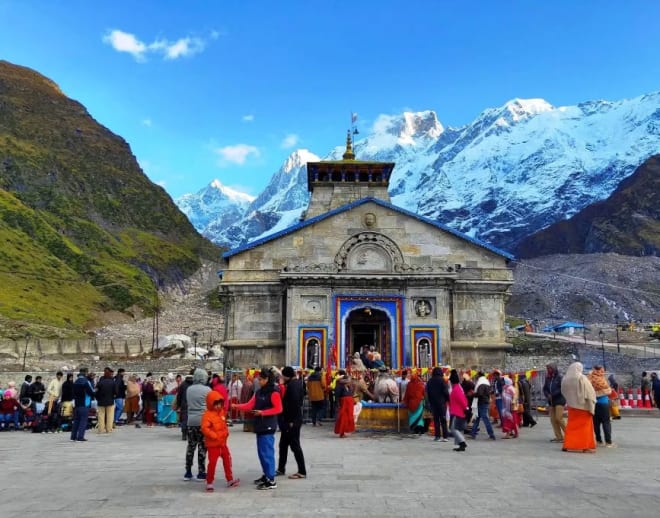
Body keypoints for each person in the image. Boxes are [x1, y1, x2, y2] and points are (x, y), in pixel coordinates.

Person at [232, 367, 283, 490]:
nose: (259, 382)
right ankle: (266, 474)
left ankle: (271, 479)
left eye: (260, 379)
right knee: (261, 453)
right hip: (260, 425)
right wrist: (236, 406)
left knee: (267, 453)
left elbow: (278, 409)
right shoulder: (260, 392)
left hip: (268, 425)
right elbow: (250, 405)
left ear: (267, 379)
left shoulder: (274, 392)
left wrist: (263, 413)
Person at [201, 390, 239, 492]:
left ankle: (230, 479)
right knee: (212, 463)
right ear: (210, 403)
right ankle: (209, 482)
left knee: (227, 460)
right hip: (213, 444)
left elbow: (223, 425)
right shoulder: (207, 415)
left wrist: (226, 433)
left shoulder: (221, 412)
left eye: (219, 404)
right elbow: (204, 428)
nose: (218, 406)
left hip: (222, 443)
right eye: (215, 404)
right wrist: (214, 435)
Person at [277, 366, 307, 480]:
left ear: (287, 376)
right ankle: (281, 468)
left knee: (295, 445)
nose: (282, 377)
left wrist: (290, 421)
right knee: (283, 445)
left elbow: (294, 404)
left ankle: (302, 471)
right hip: (291, 420)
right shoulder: (296, 383)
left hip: (292, 421)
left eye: (283, 375)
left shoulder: (292, 386)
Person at [561, 362, 597, 453]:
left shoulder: (565, 379)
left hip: (572, 406)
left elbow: (563, 391)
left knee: (571, 426)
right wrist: (591, 405)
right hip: (583, 407)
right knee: (585, 427)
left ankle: (567, 445)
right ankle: (585, 447)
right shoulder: (581, 378)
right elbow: (590, 393)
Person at [184, 368, 212, 481]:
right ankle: (201, 472)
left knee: (191, 446)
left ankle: (188, 471)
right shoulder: (208, 390)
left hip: (191, 420)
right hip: (203, 421)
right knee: (202, 447)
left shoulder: (189, 389)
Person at [588, 365, 615, 447]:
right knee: (606, 422)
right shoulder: (600, 379)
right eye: (602, 370)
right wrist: (609, 390)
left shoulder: (589, 378)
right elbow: (608, 390)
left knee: (596, 423)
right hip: (603, 402)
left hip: (594, 403)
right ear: (598, 370)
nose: (603, 371)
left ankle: (598, 440)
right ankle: (608, 442)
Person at [543, 363, 566, 443]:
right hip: (551, 401)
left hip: (559, 400)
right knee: (553, 419)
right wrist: (547, 395)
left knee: (559, 418)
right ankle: (559, 436)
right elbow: (545, 388)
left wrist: (553, 394)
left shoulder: (559, 377)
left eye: (550, 369)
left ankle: (569, 434)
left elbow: (561, 388)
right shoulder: (548, 378)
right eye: (547, 369)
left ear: (554, 369)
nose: (548, 370)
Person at [71, 367, 95, 442]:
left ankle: (73, 436)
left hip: (77, 403)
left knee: (76, 420)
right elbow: (90, 392)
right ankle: (80, 437)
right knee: (83, 420)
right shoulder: (85, 381)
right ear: (86, 372)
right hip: (84, 403)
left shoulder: (76, 381)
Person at [426, 367, 450, 442]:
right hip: (442, 403)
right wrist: (447, 399)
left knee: (436, 420)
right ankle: (445, 436)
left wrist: (429, 402)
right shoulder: (442, 381)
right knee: (443, 420)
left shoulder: (430, 381)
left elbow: (428, 393)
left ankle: (437, 436)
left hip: (433, 403)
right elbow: (446, 392)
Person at [470, 371, 496, 440]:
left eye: (477, 375)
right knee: (477, 418)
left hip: (482, 402)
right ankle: (473, 433)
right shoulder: (486, 382)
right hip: (484, 401)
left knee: (485, 418)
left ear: (479, 375)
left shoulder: (481, 384)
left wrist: (473, 394)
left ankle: (491, 434)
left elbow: (480, 394)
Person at [448, 369, 468, 452]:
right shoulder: (457, 388)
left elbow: (462, 400)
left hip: (457, 412)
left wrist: (465, 408)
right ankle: (459, 445)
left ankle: (462, 442)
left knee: (454, 428)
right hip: (457, 411)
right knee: (457, 428)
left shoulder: (456, 390)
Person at [333, 370, 355, 438]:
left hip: (349, 403)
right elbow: (337, 395)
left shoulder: (348, 387)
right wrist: (337, 403)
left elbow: (351, 394)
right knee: (343, 417)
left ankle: (345, 430)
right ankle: (341, 432)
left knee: (349, 417)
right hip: (344, 403)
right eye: (348, 381)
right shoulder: (339, 386)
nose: (349, 382)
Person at [95, 367, 116, 434]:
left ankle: (101, 429)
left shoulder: (100, 382)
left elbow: (96, 392)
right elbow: (116, 392)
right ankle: (109, 429)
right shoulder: (113, 382)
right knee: (110, 416)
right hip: (110, 401)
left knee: (101, 416)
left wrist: (98, 398)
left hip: (101, 401)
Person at [175, 373, 193, 440]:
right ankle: (190, 433)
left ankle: (184, 434)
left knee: (184, 419)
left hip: (184, 404)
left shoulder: (182, 385)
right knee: (191, 419)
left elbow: (179, 396)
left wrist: (178, 405)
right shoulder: (194, 384)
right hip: (192, 405)